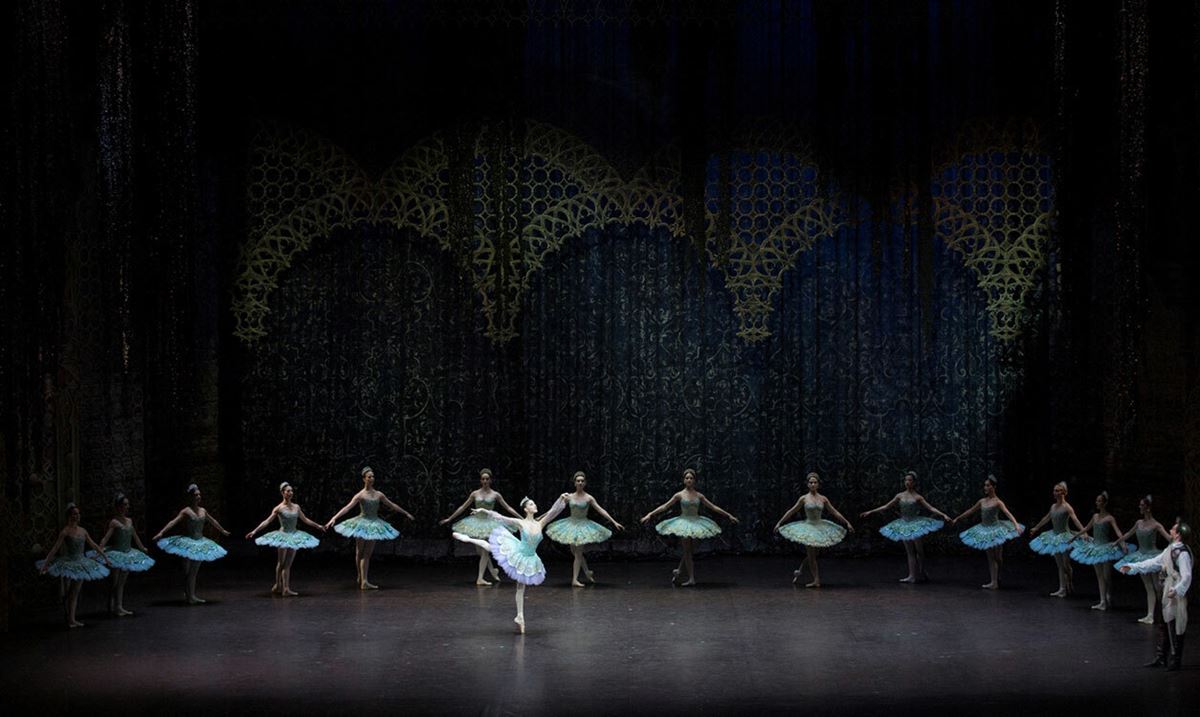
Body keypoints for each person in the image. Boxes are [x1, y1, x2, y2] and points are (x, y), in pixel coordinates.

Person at [453, 495, 567, 633]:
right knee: (490, 547)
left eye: (534, 503)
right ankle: (468, 539)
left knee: (521, 587)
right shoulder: (520, 523)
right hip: (518, 553)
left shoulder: (540, 523)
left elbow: (554, 511)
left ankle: (520, 617)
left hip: (530, 558)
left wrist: (561, 499)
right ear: (526, 509)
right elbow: (500, 517)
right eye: (531, 504)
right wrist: (484, 511)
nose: (535, 505)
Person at [640, 468, 739, 587]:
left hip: (696, 522)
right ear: (684, 480)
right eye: (687, 478)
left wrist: (728, 515)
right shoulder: (679, 495)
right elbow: (665, 506)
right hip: (684, 523)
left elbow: (713, 507)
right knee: (687, 550)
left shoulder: (699, 496)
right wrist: (650, 514)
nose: (689, 480)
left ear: (694, 480)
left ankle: (679, 571)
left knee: (690, 551)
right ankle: (691, 578)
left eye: (691, 478)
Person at [324, 466, 415, 590]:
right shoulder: (360, 495)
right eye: (369, 477)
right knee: (359, 552)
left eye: (373, 476)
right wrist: (334, 518)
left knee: (366, 554)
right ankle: (360, 576)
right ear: (364, 479)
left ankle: (364, 581)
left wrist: (405, 513)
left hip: (374, 524)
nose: (372, 478)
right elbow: (347, 508)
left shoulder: (379, 494)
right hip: (362, 523)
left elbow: (392, 505)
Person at [1121, 519, 1191, 672]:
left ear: (1178, 534)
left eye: (1173, 529)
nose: (1170, 530)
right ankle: (1161, 657)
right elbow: (1154, 562)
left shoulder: (1182, 553)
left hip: (1174, 592)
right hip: (1166, 589)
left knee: (1175, 625)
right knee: (1163, 623)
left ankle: (1175, 659)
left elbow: (1186, 576)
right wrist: (1133, 566)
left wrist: (1177, 590)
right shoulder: (1170, 549)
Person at [859, 471, 951, 583]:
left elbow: (931, 508)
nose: (907, 482)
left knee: (919, 551)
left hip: (916, 524)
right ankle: (912, 576)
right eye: (906, 480)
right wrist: (871, 511)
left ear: (914, 482)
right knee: (910, 552)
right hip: (903, 524)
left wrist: (943, 515)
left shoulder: (918, 497)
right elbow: (886, 506)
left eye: (910, 480)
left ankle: (922, 571)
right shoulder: (900, 496)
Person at [439, 468, 522, 585]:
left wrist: (521, 518)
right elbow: (463, 507)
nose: (485, 481)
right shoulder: (475, 494)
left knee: (484, 550)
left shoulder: (495, 494)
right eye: (483, 479)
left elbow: (508, 508)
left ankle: (480, 578)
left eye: (487, 479)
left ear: (490, 480)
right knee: (481, 551)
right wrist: (450, 518)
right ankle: (492, 570)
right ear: (480, 480)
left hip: (490, 524)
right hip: (476, 524)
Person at [153, 484, 230, 604]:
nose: (198, 496)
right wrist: (161, 533)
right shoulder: (186, 511)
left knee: (193, 571)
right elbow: (173, 522)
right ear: (190, 497)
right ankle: (190, 595)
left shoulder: (203, 510)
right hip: (189, 543)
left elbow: (212, 521)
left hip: (200, 542)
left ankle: (191, 595)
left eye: (199, 494)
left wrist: (222, 530)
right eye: (195, 495)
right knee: (188, 571)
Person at [37, 503, 112, 627]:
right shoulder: (65, 531)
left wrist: (105, 557)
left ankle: (71, 617)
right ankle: (71, 618)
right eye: (74, 514)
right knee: (73, 591)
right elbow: (55, 548)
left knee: (75, 591)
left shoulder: (83, 531)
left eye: (78, 514)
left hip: (82, 562)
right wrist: (46, 563)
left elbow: (93, 544)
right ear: (69, 516)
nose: (77, 516)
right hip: (71, 562)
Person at [545, 471, 625, 586]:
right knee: (574, 552)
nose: (580, 483)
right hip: (570, 524)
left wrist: (614, 521)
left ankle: (574, 580)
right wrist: (542, 517)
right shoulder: (569, 497)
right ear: (574, 483)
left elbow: (601, 510)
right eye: (578, 481)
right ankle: (587, 572)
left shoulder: (588, 498)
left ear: (585, 483)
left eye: (582, 481)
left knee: (578, 553)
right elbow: (555, 509)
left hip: (583, 526)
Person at [246, 481, 325, 596]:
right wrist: (254, 531)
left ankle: (285, 588)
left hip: (294, 535)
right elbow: (267, 521)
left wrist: (318, 526)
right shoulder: (279, 508)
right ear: (283, 493)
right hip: (283, 536)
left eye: (291, 491)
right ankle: (279, 584)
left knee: (287, 564)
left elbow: (305, 519)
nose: (290, 493)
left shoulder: (296, 507)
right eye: (288, 491)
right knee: (281, 562)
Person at [776, 472, 855, 587]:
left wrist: (847, 522)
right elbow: (792, 511)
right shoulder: (803, 498)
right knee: (812, 556)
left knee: (813, 554)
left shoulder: (823, 499)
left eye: (815, 482)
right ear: (808, 484)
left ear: (818, 484)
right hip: (808, 528)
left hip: (820, 527)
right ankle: (816, 580)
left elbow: (834, 512)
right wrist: (780, 522)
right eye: (811, 482)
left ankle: (799, 571)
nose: (813, 484)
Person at [952, 475, 1024, 590]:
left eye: (988, 485)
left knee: (998, 557)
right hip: (985, 531)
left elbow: (1007, 513)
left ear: (993, 487)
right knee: (991, 557)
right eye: (985, 485)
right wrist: (958, 518)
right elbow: (970, 511)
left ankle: (998, 576)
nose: (985, 487)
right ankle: (994, 582)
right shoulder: (982, 501)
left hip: (996, 529)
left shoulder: (998, 502)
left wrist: (1016, 525)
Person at [92, 492, 155, 616]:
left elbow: (134, 536)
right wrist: (99, 551)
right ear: (119, 507)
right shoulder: (114, 522)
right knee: (115, 582)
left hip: (128, 554)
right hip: (116, 554)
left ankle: (119, 606)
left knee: (122, 582)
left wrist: (142, 548)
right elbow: (105, 539)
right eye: (125, 505)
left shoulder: (129, 521)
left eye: (127, 504)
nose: (127, 507)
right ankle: (112, 602)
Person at [1113, 495, 1172, 623]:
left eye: (1142, 505)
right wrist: (1117, 541)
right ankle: (1150, 615)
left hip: (1153, 556)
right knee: (1148, 586)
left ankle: (1163, 613)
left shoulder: (1156, 525)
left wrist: (1177, 544)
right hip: (1140, 556)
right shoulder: (1138, 523)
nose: (1139, 507)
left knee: (1157, 587)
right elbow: (1128, 534)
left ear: (1148, 508)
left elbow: (1169, 538)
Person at [1027, 481, 1084, 598]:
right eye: (1054, 490)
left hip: (1065, 537)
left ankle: (1069, 582)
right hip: (1054, 537)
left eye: (1057, 491)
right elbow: (1046, 518)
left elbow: (1075, 520)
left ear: (1064, 492)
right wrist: (1036, 527)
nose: (1055, 493)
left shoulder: (1067, 507)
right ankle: (1062, 588)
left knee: (1066, 564)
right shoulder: (1053, 506)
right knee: (1059, 565)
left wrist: (1084, 531)